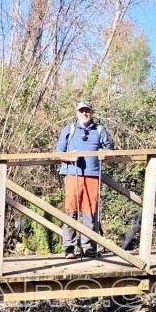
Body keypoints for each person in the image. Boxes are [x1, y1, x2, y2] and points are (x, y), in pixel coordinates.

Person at [54, 101, 113, 258]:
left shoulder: (99, 129)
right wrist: (69, 157)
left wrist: (105, 155)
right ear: (77, 113)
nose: (84, 113)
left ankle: (88, 247)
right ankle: (69, 248)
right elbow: (58, 152)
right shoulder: (69, 129)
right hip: (72, 173)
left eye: (87, 110)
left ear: (91, 113)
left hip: (93, 175)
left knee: (90, 212)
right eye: (81, 111)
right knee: (71, 210)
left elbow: (109, 149)